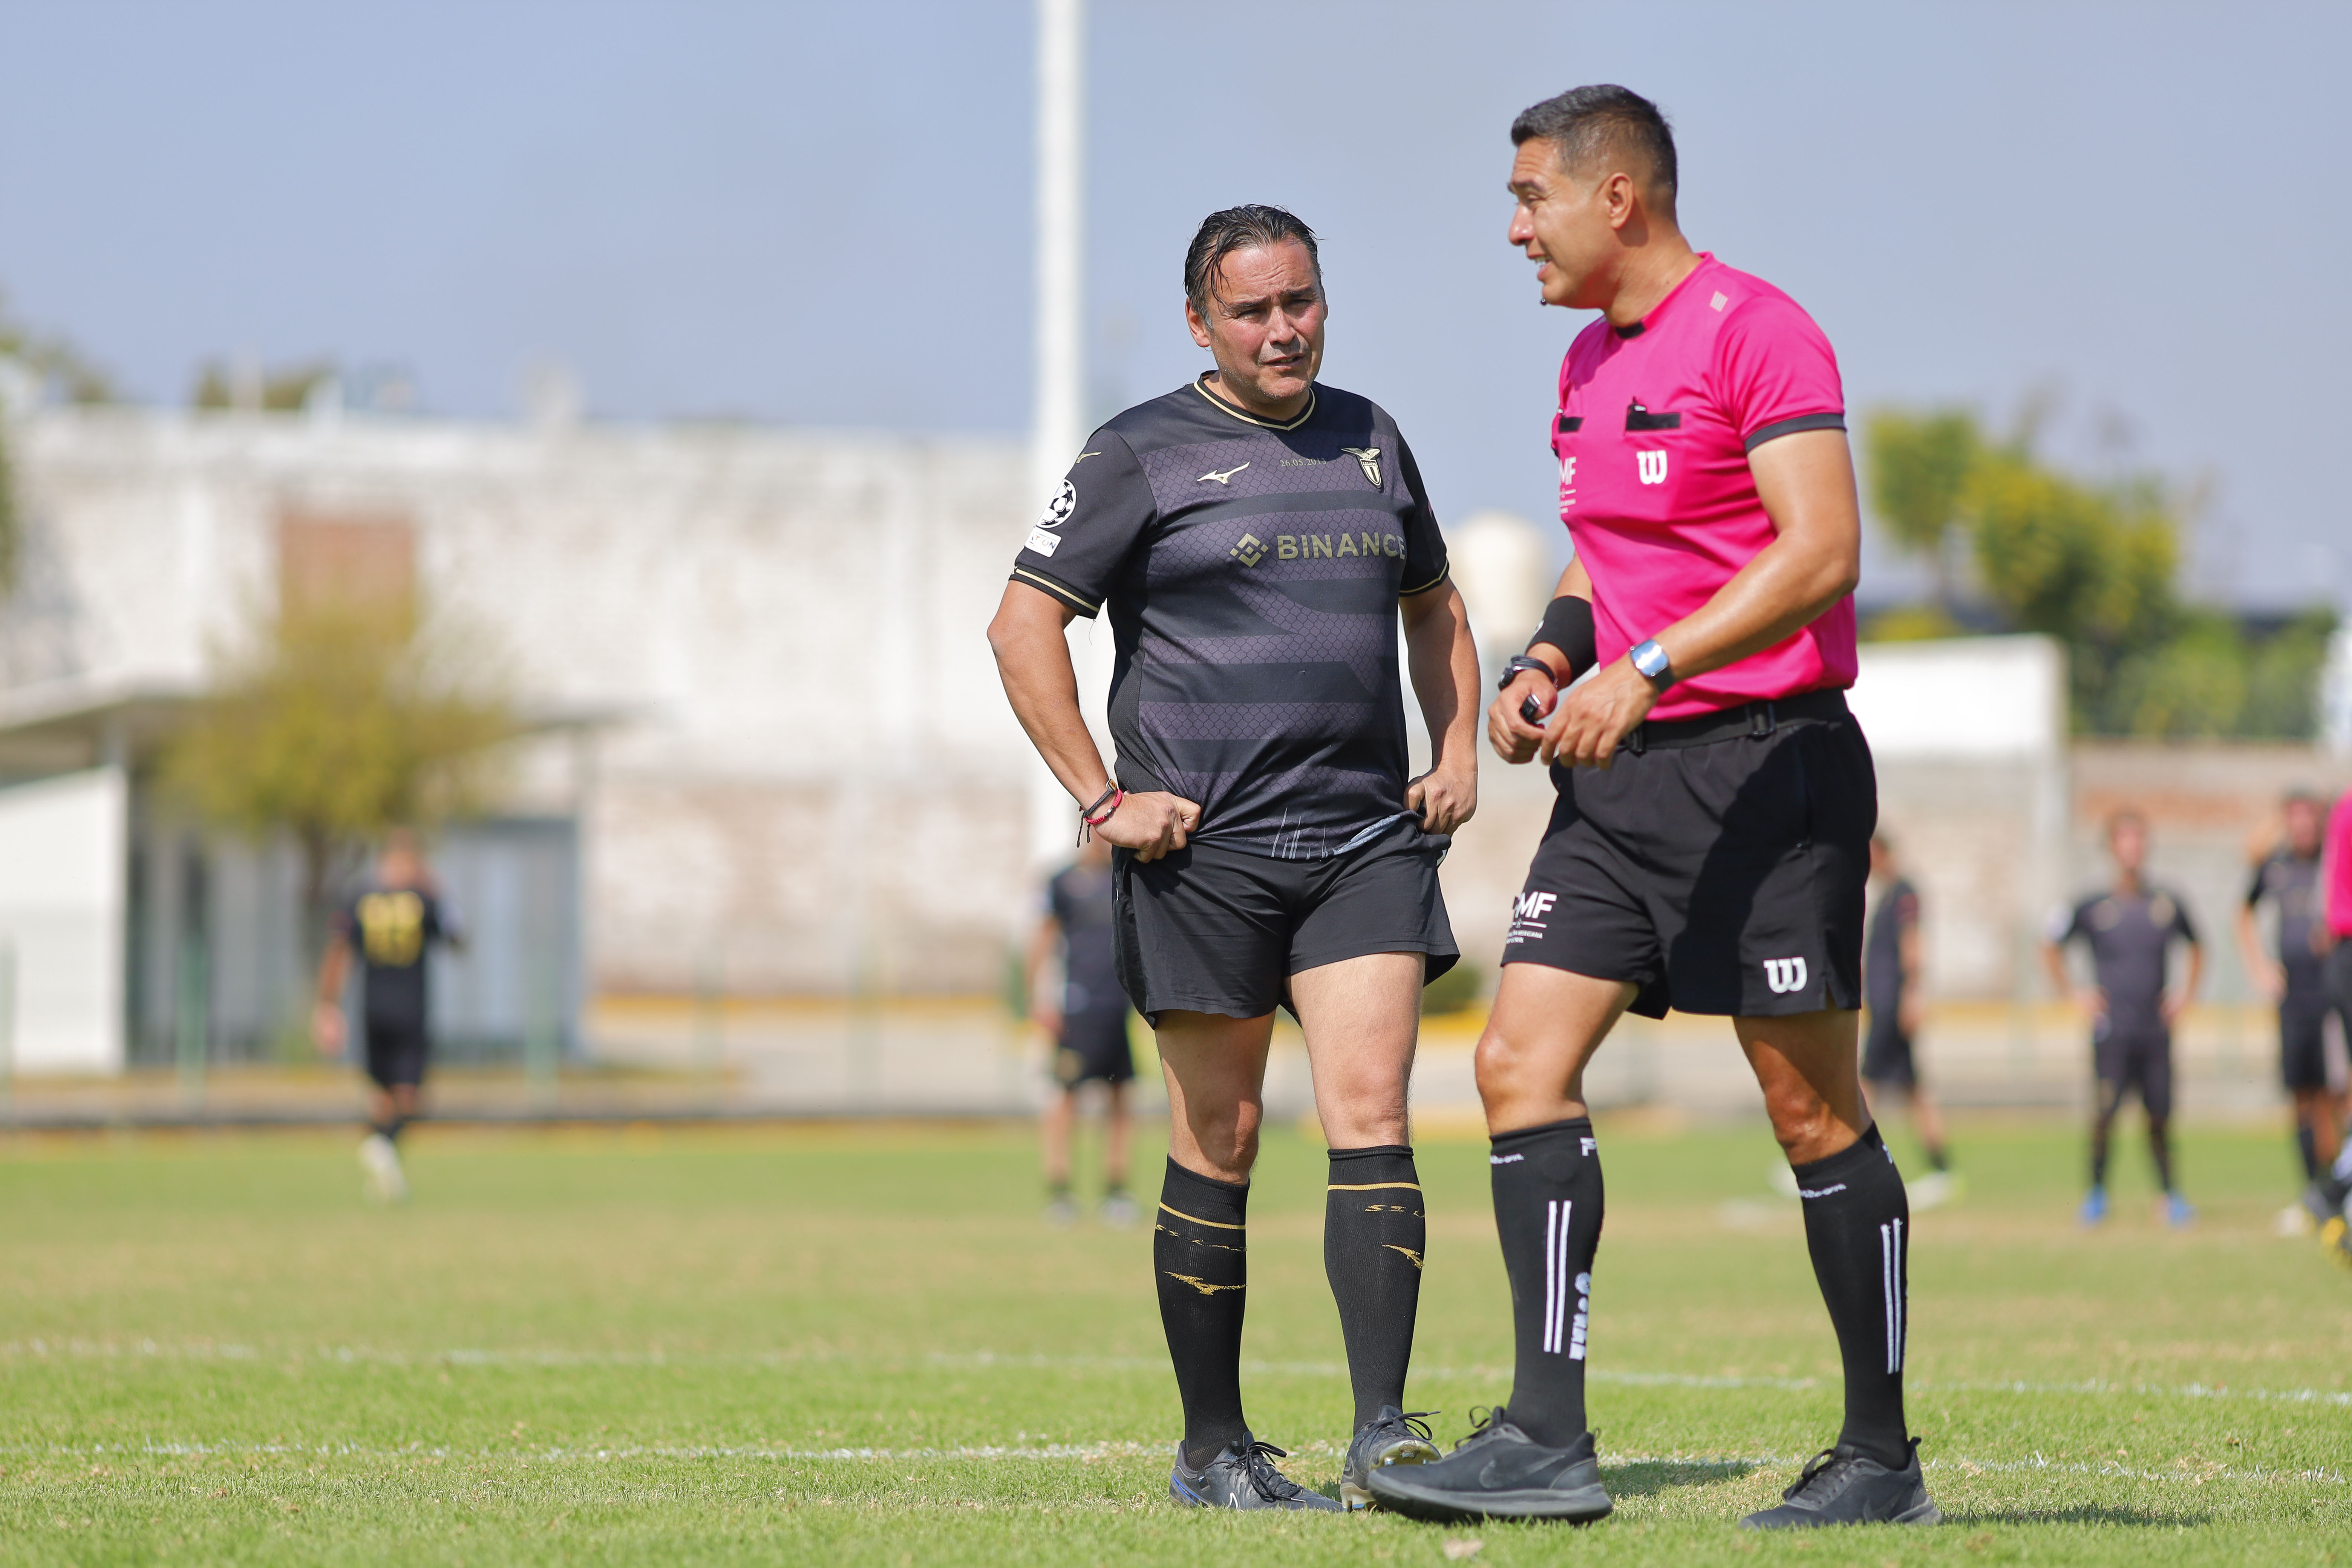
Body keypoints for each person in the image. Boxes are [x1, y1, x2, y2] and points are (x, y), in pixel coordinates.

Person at [1369, 86, 1937, 1531]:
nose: (1516, 230)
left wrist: (1652, 666)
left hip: (1770, 774)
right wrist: (1548, 661)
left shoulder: (1759, 331)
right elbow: (1603, 553)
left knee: (1808, 1109)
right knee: (1517, 1064)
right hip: (1618, 790)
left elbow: (1823, 551)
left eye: (1531, 199)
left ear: (1615, 198)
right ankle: (1545, 1440)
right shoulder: (1585, 361)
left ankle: (1880, 1459)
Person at [988, 204, 1482, 1512]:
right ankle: (1214, 1449)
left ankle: (1383, 1438)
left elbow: (1434, 605)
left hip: (1363, 841)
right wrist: (1102, 799)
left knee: (1372, 1114)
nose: (1282, 330)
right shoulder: (1137, 452)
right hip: (1205, 857)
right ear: (1200, 322)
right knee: (1226, 1132)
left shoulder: (1373, 438)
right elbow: (1021, 626)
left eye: (1300, 301)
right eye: (1252, 310)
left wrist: (1457, 747)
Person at [2042, 809, 2203, 1229]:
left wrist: (2186, 994)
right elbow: (2049, 944)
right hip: (2112, 1030)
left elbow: (2198, 945)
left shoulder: (2166, 902)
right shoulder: (2092, 905)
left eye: (2139, 839)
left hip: (2155, 1029)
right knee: (2105, 1112)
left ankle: (2170, 1195)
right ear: (2111, 848)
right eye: (2125, 839)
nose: (2133, 847)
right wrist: (2074, 994)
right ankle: (2096, 1194)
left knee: (2160, 1115)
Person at [312, 828, 464, 1202]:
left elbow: (339, 950)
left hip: (372, 1008)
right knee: (409, 1095)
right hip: (411, 1009)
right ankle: (383, 1145)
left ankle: (384, 1167)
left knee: (381, 1093)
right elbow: (457, 938)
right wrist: (441, 893)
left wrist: (328, 1006)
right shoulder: (423, 899)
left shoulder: (361, 898)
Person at [2236, 790, 2345, 1223]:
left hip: (2332, 995)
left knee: (2335, 1097)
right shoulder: (2276, 866)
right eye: (2293, 817)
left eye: (2309, 816)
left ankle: (2336, 1191)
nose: (2302, 825)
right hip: (2292, 999)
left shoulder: (2333, 860)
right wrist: (2260, 966)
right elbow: (2243, 909)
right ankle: (2311, 1191)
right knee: (2301, 1096)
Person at [1027, 835, 1138, 1227]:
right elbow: (1043, 937)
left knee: (1121, 1099)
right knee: (1065, 1098)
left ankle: (1116, 1191)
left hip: (1118, 1008)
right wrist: (1039, 998)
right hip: (1076, 1010)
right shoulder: (1062, 881)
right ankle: (1060, 1192)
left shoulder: (1127, 877)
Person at [1860, 835, 1957, 1206]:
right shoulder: (1887, 895)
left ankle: (1838, 1161)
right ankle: (1942, 1168)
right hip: (1885, 1003)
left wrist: (1914, 992)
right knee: (1913, 1089)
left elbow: (1913, 945)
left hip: (1893, 1005)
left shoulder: (1904, 893)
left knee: (1863, 1085)